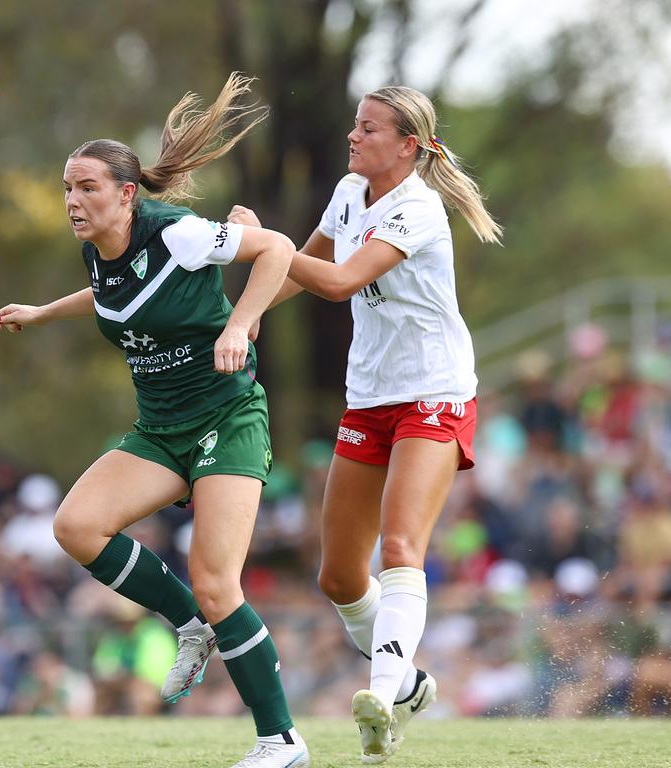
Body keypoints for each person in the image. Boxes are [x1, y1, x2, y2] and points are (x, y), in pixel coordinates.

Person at [0, 73, 308, 768]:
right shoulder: (98, 251)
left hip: (228, 417)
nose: (73, 201)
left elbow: (278, 250)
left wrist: (242, 325)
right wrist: (43, 311)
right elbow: (111, 295)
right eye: (67, 189)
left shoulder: (181, 234)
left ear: (127, 193)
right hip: (161, 428)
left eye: (87, 188)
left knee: (219, 580)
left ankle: (280, 740)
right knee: (75, 526)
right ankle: (188, 626)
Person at [229, 85, 501, 762]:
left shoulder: (419, 209)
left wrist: (261, 242)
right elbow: (305, 267)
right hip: (370, 396)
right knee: (340, 577)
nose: (354, 137)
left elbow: (342, 280)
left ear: (407, 145)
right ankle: (405, 684)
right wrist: (252, 309)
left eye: (369, 128)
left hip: (434, 393)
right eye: (355, 125)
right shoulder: (352, 190)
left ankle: (380, 696)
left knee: (403, 546)